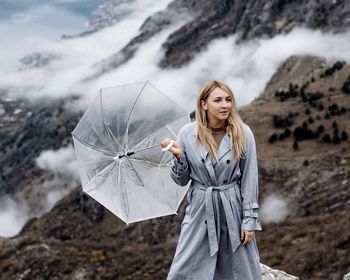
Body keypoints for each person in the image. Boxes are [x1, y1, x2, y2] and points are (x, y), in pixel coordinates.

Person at [160, 80, 262, 279]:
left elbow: (250, 178)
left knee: (239, 270)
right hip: (200, 208)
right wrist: (179, 156)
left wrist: (249, 221)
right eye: (218, 100)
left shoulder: (243, 133)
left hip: (232, 207)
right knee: (184, 268)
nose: (225, 105)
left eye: (228, 99)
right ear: (204, 104)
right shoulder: (187, 133)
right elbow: (181, 181)